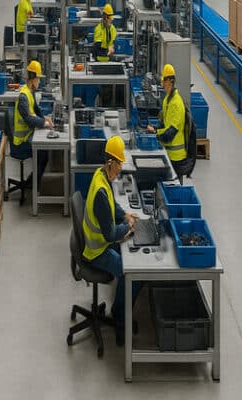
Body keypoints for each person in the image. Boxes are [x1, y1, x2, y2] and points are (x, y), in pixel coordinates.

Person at [82, 135, 138, 341]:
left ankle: (121, 309)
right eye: (119, 164)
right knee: (129, 273)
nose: (121, 168)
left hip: (98, 243)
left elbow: (112, 205)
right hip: (96, 250)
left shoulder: (101, 175)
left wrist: (125, 215)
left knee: (130, 260)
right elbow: (110, 234)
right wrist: (128, 227)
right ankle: (119, 317)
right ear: (110, 163)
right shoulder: (101, 193)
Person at [147, 63, 196, 181]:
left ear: (170, 81)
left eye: (163, 80)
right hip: (168, 152)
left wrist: (156, 134)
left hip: (176, 157)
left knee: (174, 184)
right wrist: (154, 128)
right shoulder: (167, 100)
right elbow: (164, 123)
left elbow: (170, 134)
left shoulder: (176, 104)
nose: (162, 83)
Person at [13, 60, 54, 187]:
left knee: (44, 152)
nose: (39, 81)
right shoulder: (23, 96)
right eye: (38, 78)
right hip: (21, 142)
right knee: (42, 152)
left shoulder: (30, 92)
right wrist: (44, 124)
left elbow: (36, 110)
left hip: (29, 135)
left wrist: (46, 119)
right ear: (32, 78)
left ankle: (34, 180)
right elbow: (29, 119)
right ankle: (35, 185)